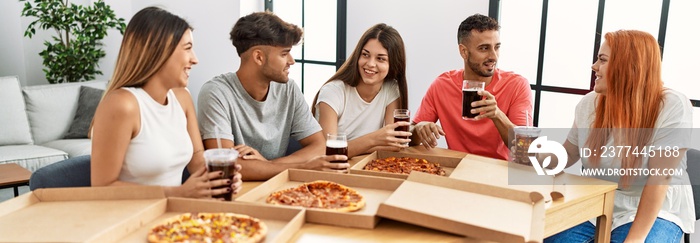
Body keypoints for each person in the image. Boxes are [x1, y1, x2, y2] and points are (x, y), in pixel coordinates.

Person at [544, 30, 694, 242]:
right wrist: (534, 154)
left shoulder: (672, 106)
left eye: (602, 60)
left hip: (656, 210)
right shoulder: (590, 104)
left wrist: (634, 239)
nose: (594, 66)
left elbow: (659, 180)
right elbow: (569, 152)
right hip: (598, 203)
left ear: (628, 67)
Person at [90, 7, 242, 199]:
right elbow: (102, 188)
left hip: (173, 217)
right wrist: (178, 193)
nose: (195, 59)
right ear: (159, 51)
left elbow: (196, 160)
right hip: (129, 218)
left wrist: (220, 178)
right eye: (187, 48)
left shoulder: (182, 97)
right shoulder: (122, 105)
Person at [197, 11, 348, 181]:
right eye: (284, 54)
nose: (292, 61)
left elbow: (319, 146)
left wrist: (266, 164)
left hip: (279, 189)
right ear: (259, 57)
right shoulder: (216, 93)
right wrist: (300, 167)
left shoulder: (289, 89)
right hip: (236, 194)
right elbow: (227, 167)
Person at [411, 13, 533, 160]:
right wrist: (419, 129)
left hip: (499, 173)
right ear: (463, 51)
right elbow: (409, 137)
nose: (494, 56)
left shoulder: (517, 85)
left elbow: (524, 149)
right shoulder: (442, 85)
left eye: (497, 47)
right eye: (484, 48)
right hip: (457, 169)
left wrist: (497, 115)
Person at [311, 23, 411, 158]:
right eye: (365, 55)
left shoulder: (391, 89)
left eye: (380, 58)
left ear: (393, 64)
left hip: (365, 165)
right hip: (333, 170)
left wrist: (354, 147)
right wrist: (375, 139)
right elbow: (329, 153)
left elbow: (393, 145)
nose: (370, 64)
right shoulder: (333, 92)